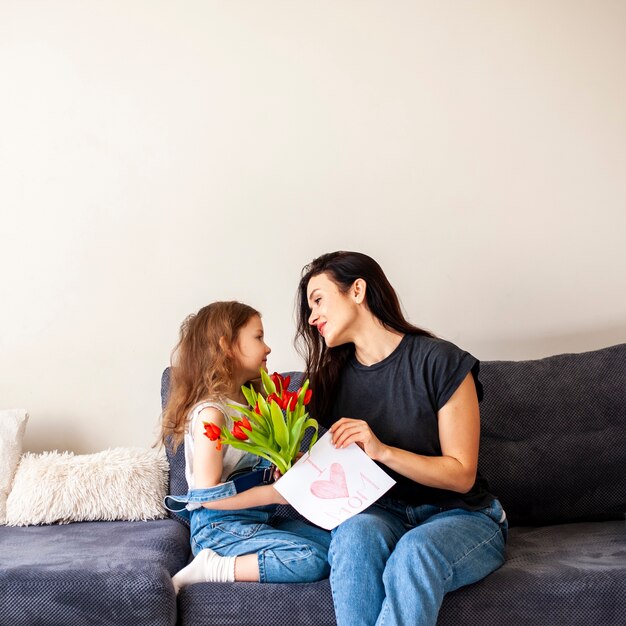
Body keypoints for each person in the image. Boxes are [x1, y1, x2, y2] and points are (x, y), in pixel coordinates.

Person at [295, 251, 507, 626]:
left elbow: (461, 474)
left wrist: (382, 450)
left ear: (357, 290)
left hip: (461, 516)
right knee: (354, 535)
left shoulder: (439, 362)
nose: (311, 318)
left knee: (414, 552)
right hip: (383, 516)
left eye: (318, 299)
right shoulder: (330, 382)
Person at [161, 301, 330, 593]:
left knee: (337, 545)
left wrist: (291, 465)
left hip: (255, 520)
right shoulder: (212, 414)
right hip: (218, 529)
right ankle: (211, 566)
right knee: (311, 559)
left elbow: (254, 467)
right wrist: (276, 494)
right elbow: (209, 497)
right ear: (226, 345)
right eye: (258, 337)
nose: (267, 348)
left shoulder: (253, 403)